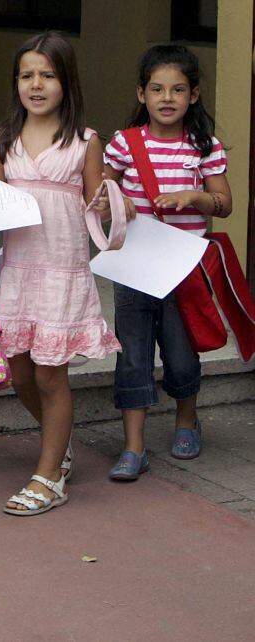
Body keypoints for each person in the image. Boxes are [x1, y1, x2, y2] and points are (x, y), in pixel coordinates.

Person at [0, 32, 122, 515]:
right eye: (27, 75)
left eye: (48, 75)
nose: (36, 84)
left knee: (51, 374)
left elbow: (98, 208)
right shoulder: (4, 138)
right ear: (16, 83)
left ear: (67, 83)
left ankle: (49, 476)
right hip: (18, 270)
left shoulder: (85, 141)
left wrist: (108, 199)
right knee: (18, 371)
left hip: (61, 271)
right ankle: (58, 439)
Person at [103, 44, 231, 480]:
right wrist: (116, 199)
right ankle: (134, 447)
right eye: (157, 88)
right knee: (133, 354)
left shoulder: (203, 146)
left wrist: (193, 197)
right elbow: (102, 191)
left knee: (181, 351)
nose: (167, 97)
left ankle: (185, 419)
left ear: (193, 95)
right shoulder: (124, 143)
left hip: (184, 268)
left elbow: (224, 203)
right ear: (141, 94)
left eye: (178, 89)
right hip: (134, 265)